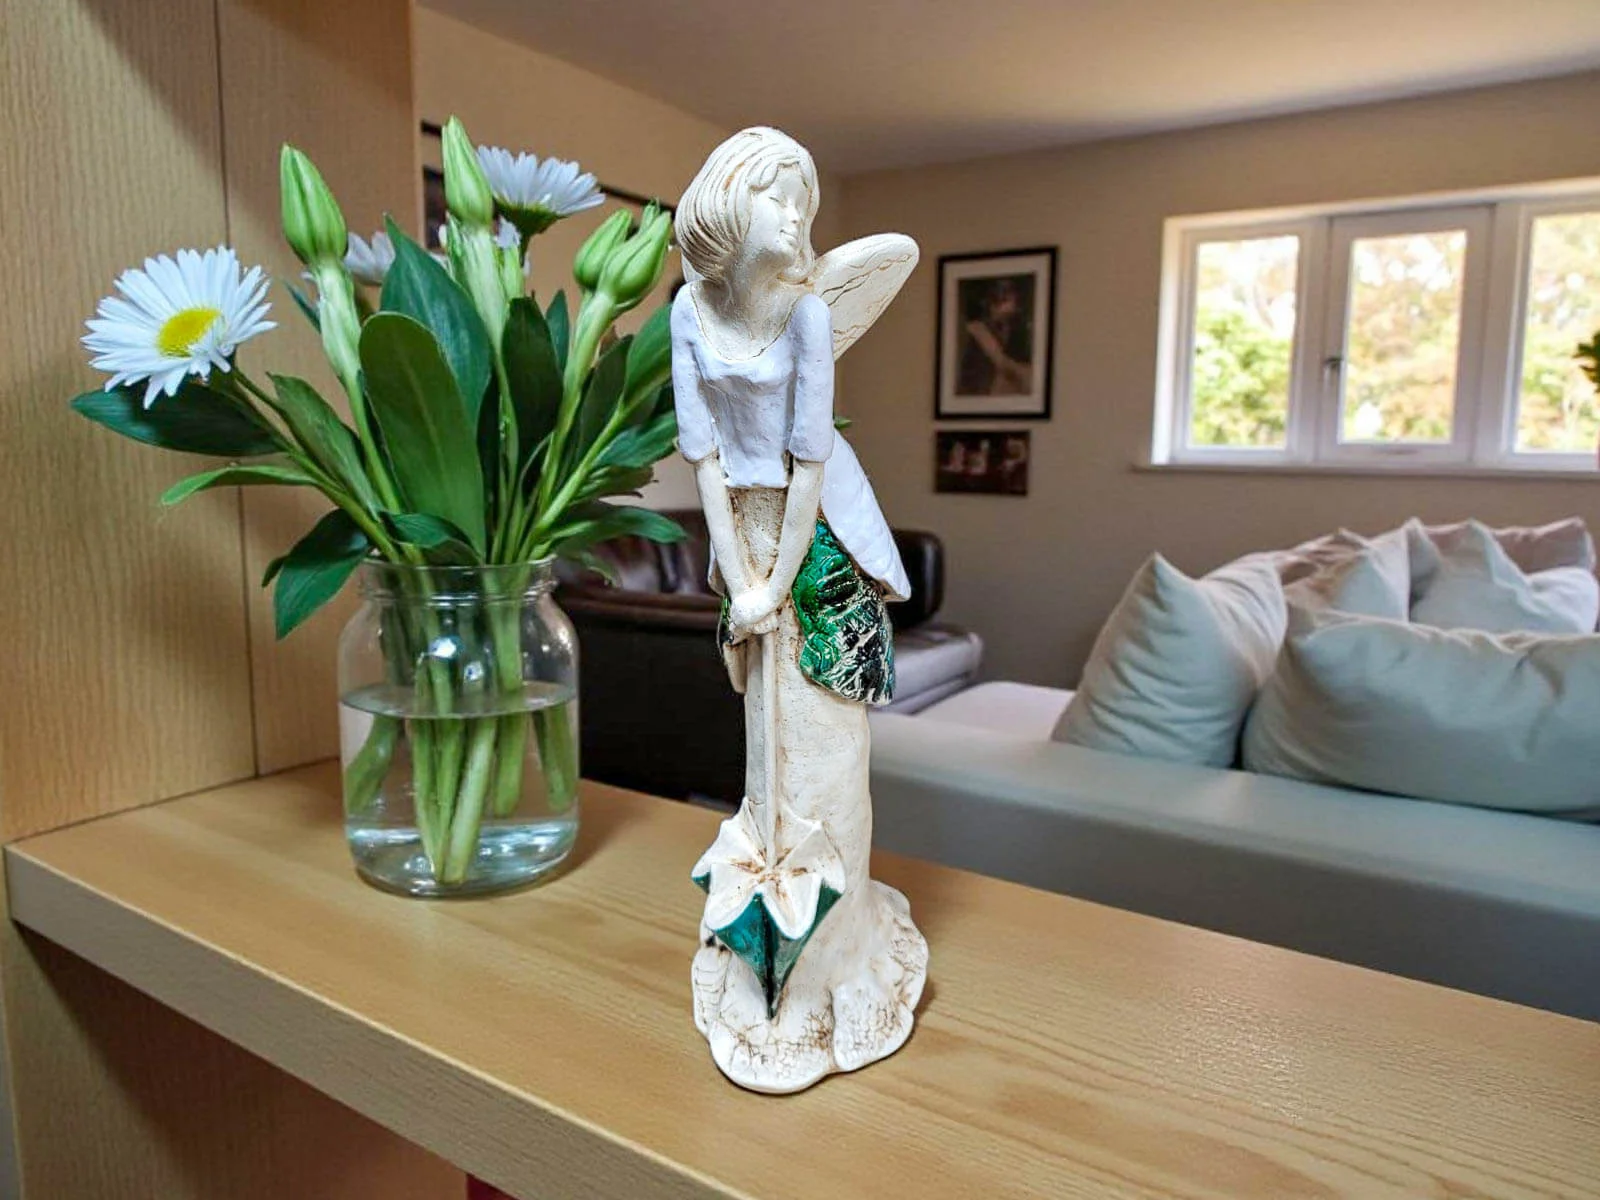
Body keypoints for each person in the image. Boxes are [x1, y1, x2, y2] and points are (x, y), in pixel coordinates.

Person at [671, 126, 927, 1093]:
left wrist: (776, 585)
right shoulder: (689, 311)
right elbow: (703, 457)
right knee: (761, 748)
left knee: (825, 743)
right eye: (777, 196)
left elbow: (809, 460)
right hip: (742, 530)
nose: (795, 217)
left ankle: (833, 957)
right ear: (727, 203)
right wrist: (739, 582)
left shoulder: (809, 315)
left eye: (804, 202)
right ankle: (765, 952)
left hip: (814, 538)